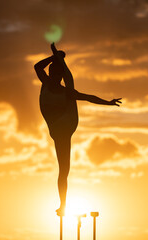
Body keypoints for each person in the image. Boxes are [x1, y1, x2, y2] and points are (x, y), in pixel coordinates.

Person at [34, 43, 122, 216]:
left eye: (57, 74)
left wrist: (108, 103)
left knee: (64, 170)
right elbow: (37, 67)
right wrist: (54, 56)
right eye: (53, 73)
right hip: (57, 129)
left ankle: (63, 205)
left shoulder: (66, 91)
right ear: (51, 73)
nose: (53, 76)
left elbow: (89, 98)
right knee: (63, 171)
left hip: (66, 126)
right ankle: (63, 204)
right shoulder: (45, 82)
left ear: (58, 76)